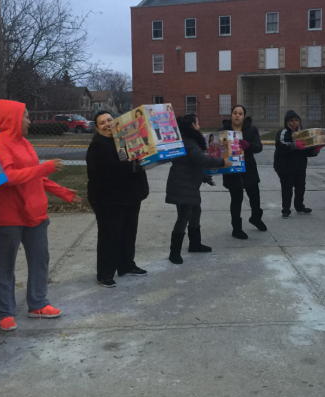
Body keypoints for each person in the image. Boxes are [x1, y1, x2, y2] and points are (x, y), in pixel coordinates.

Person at [0, 100, 81, 332]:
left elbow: (34, 176)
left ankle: (38, 303)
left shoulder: (25, 143)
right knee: (5, 266)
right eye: (26, 116)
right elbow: (7, 177)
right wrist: (44, 167)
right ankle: (6, 312)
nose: (29, 120)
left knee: (40, 260)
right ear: (12, 119)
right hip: (8, 216)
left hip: (36, 213)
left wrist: (63, 192)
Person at [86, 110, 149, 287]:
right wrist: (133, 165)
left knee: (128, 233)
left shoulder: (125, 139)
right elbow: (106, 172)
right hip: (108, 200)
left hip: (130, 196)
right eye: (102, 123)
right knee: (110, 236)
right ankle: (105, 273)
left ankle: (126, 265)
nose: (107, 124)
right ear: (97, 128)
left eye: (109, 120)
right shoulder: (98, 146)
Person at [165, 113, 231, 264]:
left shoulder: (189, 140)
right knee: (183, 217)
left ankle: (195, 244)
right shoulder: (188, 142)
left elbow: (194, 164)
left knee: (195, 213)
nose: (199, 126)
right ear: (192, 126)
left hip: (189, 184)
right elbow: (201, 159)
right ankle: (174, 252)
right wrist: (222, 162)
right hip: (182, 185)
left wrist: (205, 178)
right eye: (197, 123)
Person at [221, 105, 267, 238]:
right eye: (235, 113)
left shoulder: (251, 130)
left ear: (244, 116)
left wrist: (249, 146)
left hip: (249, 169)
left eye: (240, 113)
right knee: (236, 200)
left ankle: (256, 218)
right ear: (231, 115)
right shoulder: (223, 131)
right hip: (231, 171)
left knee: (255, 197)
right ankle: (236, 228)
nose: (237, 115)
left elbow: (259, 147)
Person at [273, 110, 322, 218]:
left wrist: (316, 149)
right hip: (284, 167)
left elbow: (307, 151)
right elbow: (280, 146)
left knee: (300, 187)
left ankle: (299, 206)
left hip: (300, 166)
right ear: (287, 122)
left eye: (296, 120)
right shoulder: (284, 132)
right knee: (287, 188)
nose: (294, 123)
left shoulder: (304, 133)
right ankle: (285, 209)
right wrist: (294, 145)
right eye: (292, 120)